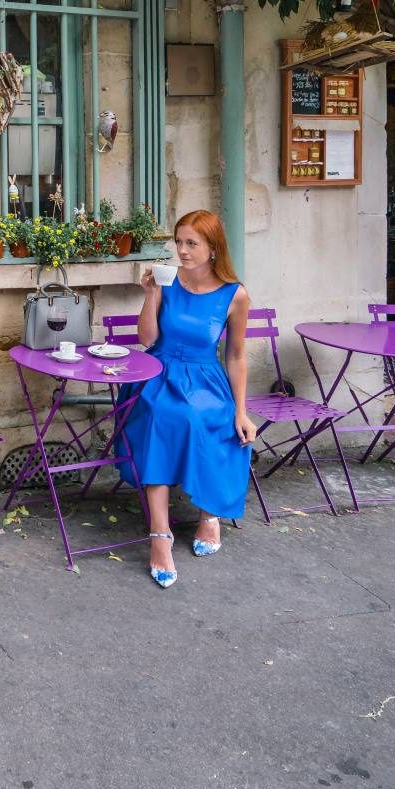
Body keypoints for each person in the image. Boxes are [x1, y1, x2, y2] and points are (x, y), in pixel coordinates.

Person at [117, 209, 256, 589]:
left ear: (213, 248)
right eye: (179, 242)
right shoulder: (167, 281)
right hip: (159, 373)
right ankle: (160, 534)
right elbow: (146, 340)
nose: (182, 250)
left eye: (191, 243)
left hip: (206, 378)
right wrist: (150, 294)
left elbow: (236, 355)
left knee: (211, 419)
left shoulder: (234, 294)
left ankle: (209, 514)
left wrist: (242, 411)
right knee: (162, 415)